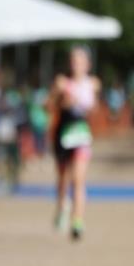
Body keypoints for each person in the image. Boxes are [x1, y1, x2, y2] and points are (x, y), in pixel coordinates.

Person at [48, 45, 101, 241]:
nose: (75, 64)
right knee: (63, 179)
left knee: (78, 180)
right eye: (73, 60)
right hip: (62, 135)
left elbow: (94, 110)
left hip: (80, 135)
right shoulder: (61, 82)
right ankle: (62, 206)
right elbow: (48, 106)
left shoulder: (93, 84)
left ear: (87, 64)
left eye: (79, 61)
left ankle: (77, 220)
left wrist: (78, 100)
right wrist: (58, 96)